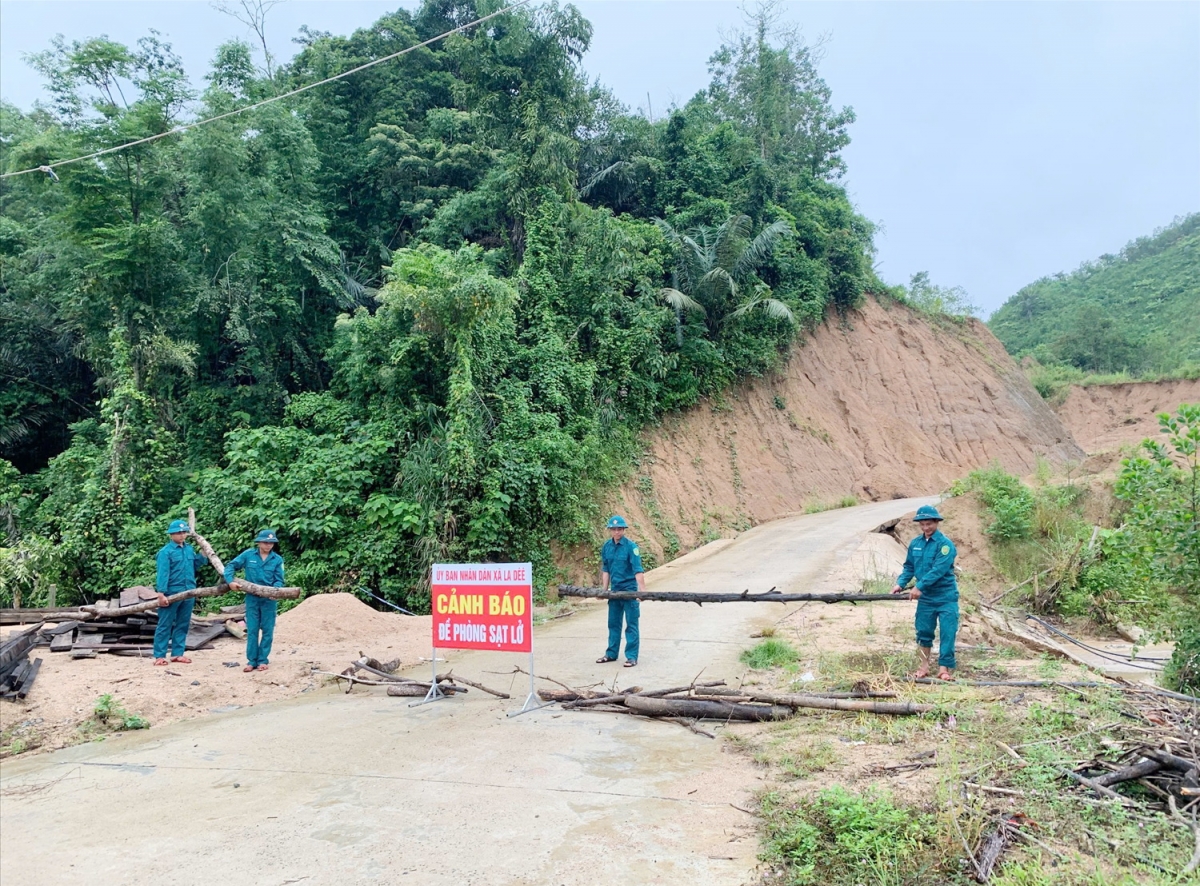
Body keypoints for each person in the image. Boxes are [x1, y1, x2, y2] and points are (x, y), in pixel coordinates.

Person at [892, 504, 959, 681]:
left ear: (936, 522)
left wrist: (919, 586)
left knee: (948, 631)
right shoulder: (915, 544)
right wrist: (900, 583)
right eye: (922, 524)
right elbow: (909, 567)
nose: (925, 528)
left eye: (929, 524)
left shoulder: (945, 546)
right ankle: (924, 666)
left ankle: (944, 669)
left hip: (946, 597)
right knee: (923, 631)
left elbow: (938, 570)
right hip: (926, 599)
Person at [224, 529, 285, 673]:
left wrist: (275, 591)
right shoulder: (248, 555)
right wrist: (230, 582)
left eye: (271, 543)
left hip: (269, 600)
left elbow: (279, 580)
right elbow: (230, 566)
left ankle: (263, 660)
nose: (268, 545)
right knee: (252, 630)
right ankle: (251, 661)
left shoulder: (277, 559)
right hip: (252, 599)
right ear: (258, 542)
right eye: (265, 542)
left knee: (268, 631)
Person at [154, 519, 211, 666]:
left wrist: (203, 554)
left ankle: (177, 654)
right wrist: (161, 593)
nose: (181, 535)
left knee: (183, 623)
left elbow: (195, 565)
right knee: (165, 624)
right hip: (172, 593)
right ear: (171, 534)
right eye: (178, 533)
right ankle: (160, 656)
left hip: (189, 591)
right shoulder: (165, 552)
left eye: (183, 532)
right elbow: (163, 573)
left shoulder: (189, 549)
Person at [596, 515, 645, 668]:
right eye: (614, 529)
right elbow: (606, 570)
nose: (617, 532)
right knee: (613, 624)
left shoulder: (631, 547)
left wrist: (642, 591)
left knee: (631, 625)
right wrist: (604, 590)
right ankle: (611, 653)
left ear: (624, 530)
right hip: (615, 592)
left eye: (620, 529)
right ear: (610, 530)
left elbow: (638, 570)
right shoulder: (607, 547)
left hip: (630, 592)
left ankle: (631, 657)